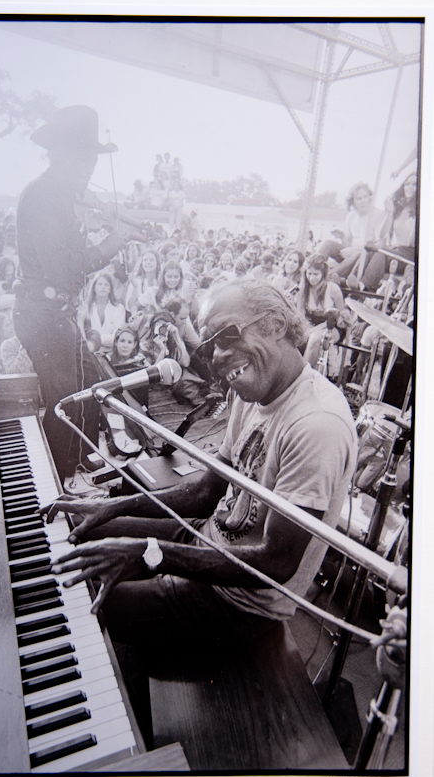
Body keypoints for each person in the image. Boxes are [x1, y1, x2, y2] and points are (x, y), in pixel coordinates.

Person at [42, 283, 357, 736]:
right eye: (207, 346)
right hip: (208, 537)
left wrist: (150, 553)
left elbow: (276, 562)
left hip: (241, 604)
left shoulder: (316, 425)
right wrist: (110, 506)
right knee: (81, 528)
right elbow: (206, 492)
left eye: (226, 337)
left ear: (276, 324)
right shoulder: (252, 396)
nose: (216, 357)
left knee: (83, 607)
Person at [13, 105, 125, 479]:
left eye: (94, 156)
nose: (91, 164)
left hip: (56, 314)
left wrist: (114, 224)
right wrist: (113, 242)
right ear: (60, 153)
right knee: (64, 401)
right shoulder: (42, 195)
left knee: (91, 388)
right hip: (41, 315)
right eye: (84, 155)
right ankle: (58, 480)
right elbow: (64, 265)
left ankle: (79, 459)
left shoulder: (62, 194)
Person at [297, 254, 349, 369]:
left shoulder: (332, 289)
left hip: (332, 326)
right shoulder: (303, 289)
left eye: (316, 274)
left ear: (323, 274)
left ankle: (304, 372)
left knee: (315, 338)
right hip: (310, 325)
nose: (312, 278)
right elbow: (301, 316)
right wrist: (305, 330)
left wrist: (314, 330)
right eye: (309, 274)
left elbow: (339, 316)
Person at [77, 272, 126, 354]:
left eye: (106, 285)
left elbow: (117, 337)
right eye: (100, 284)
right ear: (94, 288)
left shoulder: (119, 309)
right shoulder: (85, 308)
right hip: (90, 353)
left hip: (111, 353)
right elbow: (82, 336)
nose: (103, 287)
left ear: (110, 289)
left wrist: (95, 340)